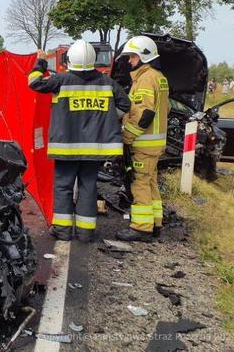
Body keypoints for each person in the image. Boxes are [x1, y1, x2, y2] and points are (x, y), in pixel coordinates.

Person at [29, 40, 131, 242]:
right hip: (94, 149)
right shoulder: (106, 83)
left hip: (66, 148)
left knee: (63, 187)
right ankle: (85, 232)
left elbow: (34, 82)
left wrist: (40, 62)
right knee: (88, 187)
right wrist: (107, 119)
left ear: (69, 60)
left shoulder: (61, 80)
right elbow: (125, 104)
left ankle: (63, 231)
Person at [116, 36, 170, 242]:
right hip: (155, 144)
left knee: (139, 184)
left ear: (143, 56)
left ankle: (141, 227)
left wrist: (127, 136)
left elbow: (144, 114)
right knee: (151, 183)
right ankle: (155, 224)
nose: (129, 61)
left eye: (132, 57)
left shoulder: (146, 78)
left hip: (144, 143)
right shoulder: (159, 77)